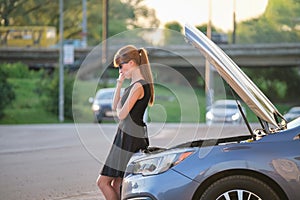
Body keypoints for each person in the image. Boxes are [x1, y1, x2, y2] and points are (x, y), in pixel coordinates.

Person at [96, 45, 155, 200]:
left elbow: (121, 114)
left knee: (103, 182)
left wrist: (120, 109)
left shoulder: (138, 86)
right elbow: (115, 106)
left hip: (129, 137)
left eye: (121, 66)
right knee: (117, 184)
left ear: (131, 63)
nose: (120, 71)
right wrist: (119, 83)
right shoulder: (135, 85)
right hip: (126, 135)